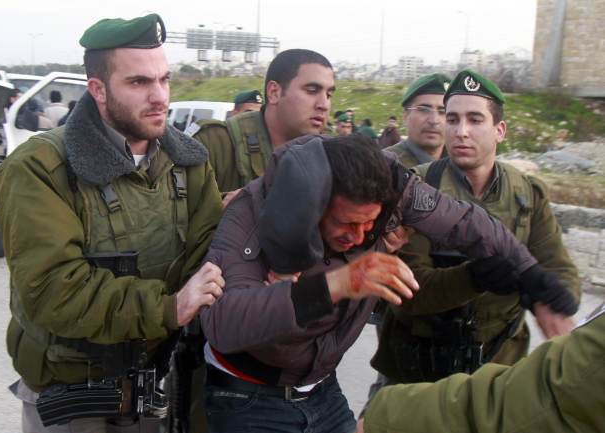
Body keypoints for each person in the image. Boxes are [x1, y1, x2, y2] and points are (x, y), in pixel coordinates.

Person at [199, 132, 578, 433]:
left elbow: (467, 223)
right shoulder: (248, 216)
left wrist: (534, 281)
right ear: (314, 206)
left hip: (321, 391)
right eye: (346, 224)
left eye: (370, 224)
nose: (359, 236)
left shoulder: (393, 190)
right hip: (247, 397)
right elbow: (224, 323)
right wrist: (338, 283)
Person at [0, 13, 223, 432]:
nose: (159, 97)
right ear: (97, 89)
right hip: (71, 389)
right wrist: (170, 307)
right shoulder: (37, 169)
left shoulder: (187, 162)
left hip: (153, 381)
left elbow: (208, 254)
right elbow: (53, 290)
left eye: (164, 80)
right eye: (139, 82)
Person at [360, 69, 580, 430]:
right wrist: (475, 277)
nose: (461, 131)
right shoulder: (415, 189)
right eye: (453, 119)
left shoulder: (526, 194)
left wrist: (551, 301)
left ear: (500, 131)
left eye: (475, 119)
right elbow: (409, 291)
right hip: (417, 374)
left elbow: (559, 268)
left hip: (497, 372)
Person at [364, 302, 605, 433]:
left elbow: (541, 403)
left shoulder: (529, 207)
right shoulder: (428, 212)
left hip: (494, 358)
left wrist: (552, 294)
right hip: (416, 359)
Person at [192, 48, 335, 199]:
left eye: (329, 94)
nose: (324, 105)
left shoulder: (329, 157)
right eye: (312, 90)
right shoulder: (215, 144)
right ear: (274, 92)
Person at [387, 73, 451, 167]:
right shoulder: (384, 165)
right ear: (405, 116)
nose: (434, 120)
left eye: (443, 112)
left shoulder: (462, 167)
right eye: (424, 110)